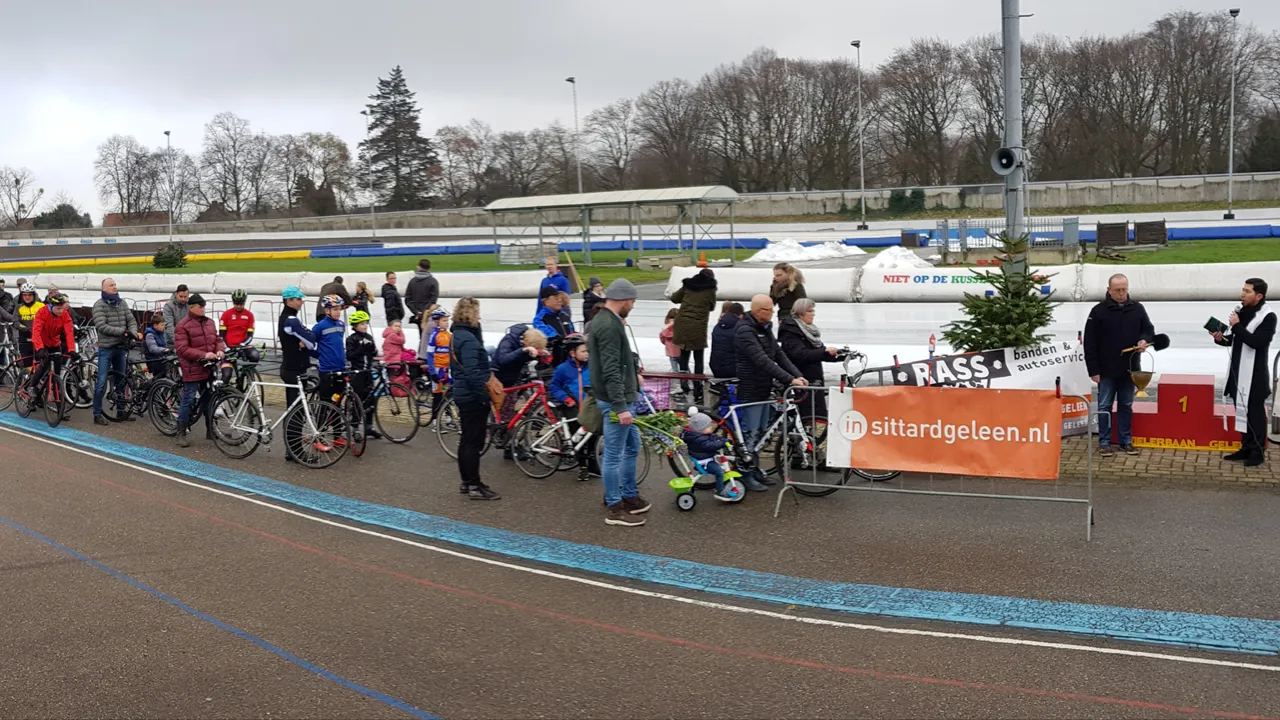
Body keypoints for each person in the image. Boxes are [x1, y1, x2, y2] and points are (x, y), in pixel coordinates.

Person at [587, 278, 650, 527]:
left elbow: (616, 362)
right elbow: (610, 369)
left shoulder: (608, 321)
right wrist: (621, 406)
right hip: (616, 402)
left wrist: (633, 373)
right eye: (632, 302)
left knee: (632, 446)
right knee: (613, 454)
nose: (633, 307)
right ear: (623, 300)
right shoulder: (609, 326)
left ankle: (629, 495)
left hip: (620, 397)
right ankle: (614, 506)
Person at [734, 294, 808, 492]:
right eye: (770, 310)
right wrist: (789, 379)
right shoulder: (744, 331)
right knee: (751, 434)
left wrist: (798, 376)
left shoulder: (764, 328)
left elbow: (779, 354)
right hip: (751, 389)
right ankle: (745, 473)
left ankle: (755, 468)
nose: (773, 313)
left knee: (761, 433)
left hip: (765, 387)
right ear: (759, 311)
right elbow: (762, 360)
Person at [1083, 273, 1155, 458]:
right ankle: (1104, 442)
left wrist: (1144, 340)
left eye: (1124, 289)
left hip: (1130, 369)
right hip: (1106, 370)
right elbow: (1089, 343)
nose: (1122, 293)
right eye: (1117, 290)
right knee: (1105, 405)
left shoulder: (1137, 309)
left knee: (1126, 405)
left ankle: (1126, 441)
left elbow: (1148, 329)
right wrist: (1093, 370)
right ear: (1109, 290)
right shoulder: (1098, 311)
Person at [1212, 278, 1275, 467]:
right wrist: (1220, 338)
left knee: (1254, 414)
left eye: (1247, 291)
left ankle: (1257, 452)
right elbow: (1236, 340)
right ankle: (1245, 447)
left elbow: (1257, 342)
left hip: (1255, 374)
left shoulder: (1268, 316)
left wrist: (1237, 326)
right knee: (1242, 411)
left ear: (1259, 296)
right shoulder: (1243, 312)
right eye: (1243, 290)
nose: (1242, 294)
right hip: (1237, 371)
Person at [449, 296, 501, 500]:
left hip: (462, 392)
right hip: (472, 395)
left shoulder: (458, 335)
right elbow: (473, 372)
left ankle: (467, 481)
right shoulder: (469, 340)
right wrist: (483, 397)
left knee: (466, 440)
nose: (479, 317)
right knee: (474, 442)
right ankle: (473, 484)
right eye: (477, 313)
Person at [173, 294, 224, 448]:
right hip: (192, 368)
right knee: (188, 399)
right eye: (200, 306)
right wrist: (203, 355)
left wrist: (220, 350)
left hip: (208, 367)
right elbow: (182, 349)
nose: (203, 309)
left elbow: (217, 340)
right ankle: (181, 431)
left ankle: (210, 430)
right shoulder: (182, 326)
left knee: (209, 399)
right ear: (192, 307)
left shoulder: (209, 323)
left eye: (204, 306)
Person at [778, 298, 843, 418]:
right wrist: (824, 351)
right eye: (810, 311)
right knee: (809, 415)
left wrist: (839, 355)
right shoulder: (790, 331)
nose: (813, 314)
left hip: (815, 378)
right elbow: (801, 354)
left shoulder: (809, 330)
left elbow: (818, 352)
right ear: (801, 313)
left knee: (818, 414)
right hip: (802, 378)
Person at [91, 278, 140, 425]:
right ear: (104, 289)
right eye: (111, 285)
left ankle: (121, 410)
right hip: (106, 348)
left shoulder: (122, 303)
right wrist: (123, 332)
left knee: (122, 380)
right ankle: (97, 413)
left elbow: (131, 320)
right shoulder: (99, 305)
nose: (114, 287)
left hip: (120, 347)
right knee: (101, 382)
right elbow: (101, 326)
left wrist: (132, 332)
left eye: (115, 285)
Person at [277, 286, 318, 461]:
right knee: (296, 411)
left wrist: (304, 338)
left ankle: (292, 450)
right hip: (293, 369)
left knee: (295, 410)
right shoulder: (292, 320)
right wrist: (304, 339)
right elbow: (311, 342)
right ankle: (294, 451)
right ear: (289, 301)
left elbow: (307, 338)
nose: (302, 301)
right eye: (299, 299)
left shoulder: (288, 318)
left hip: (293, 367)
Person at [548, 333, 596, 480]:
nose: (587, 354)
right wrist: (566, 398)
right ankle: (582, 467)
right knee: (579, 440)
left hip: (589, 408)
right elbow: (554, 386)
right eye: (583, 351)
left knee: (592, 437)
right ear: (572, 353)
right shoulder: (563, 369)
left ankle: (593, 466)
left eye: (588, 350)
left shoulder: (592, 367)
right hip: (572, 408)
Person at [670, 267, 717, 401]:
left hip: (682, 324)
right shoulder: (710, 290)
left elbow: (674, 298)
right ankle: (698, 389)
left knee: (684, 356)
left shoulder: (688, 285)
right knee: (698, 358)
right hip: (698, 326)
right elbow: (712, 306)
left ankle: (684, 386)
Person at [30, 294, 76, 418]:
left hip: (55, 344)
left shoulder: (65, 315)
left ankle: (60, 409)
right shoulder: (42, 312)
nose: (61, 311)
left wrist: (71, 350)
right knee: (44, 365)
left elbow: (69, 333)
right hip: (42, 343)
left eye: (62, 308)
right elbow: (36, 331)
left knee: (56, 376)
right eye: (58, 309)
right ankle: (32, 387)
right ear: (51, 306)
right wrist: (39, 348)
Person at [682, 411, 742, 503]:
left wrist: (724, 440)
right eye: (709, 426)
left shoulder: (702, 435)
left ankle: (720, 486)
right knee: (719, 472)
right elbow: (710, 445)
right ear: (701, 429)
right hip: (704, 462)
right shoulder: (700, 440)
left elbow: (714, 437)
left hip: (706, 458)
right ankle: (720, 491)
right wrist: (721, 443)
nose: (712, 427)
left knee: (720, 468)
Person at [345, 310, 381, 440]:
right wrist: (361, 349)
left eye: (366, 323)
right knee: (357, 401)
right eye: (361, 324)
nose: (365, 326)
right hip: (357, 373)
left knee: (371, 399)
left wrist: (373, 350)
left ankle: (369, 427)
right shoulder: (351, 339)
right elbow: (349, 356)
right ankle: (355, 428)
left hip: (368, 372)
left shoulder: (369, 337)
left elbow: (374, 354)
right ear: (354, 326)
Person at [311, 294, 347, 403]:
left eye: (339, 309)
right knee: (326, 402)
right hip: (327, 370)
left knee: (337, 400)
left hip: (340, 368)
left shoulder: (341, 325)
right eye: (335, 309)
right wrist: (318, 355)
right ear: (327, 310)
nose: (338, 312)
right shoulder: (320, 326)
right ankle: (321, 419)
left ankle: (335, 419)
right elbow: (309, 344)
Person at [218, 289, 262, 378]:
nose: (238, 306)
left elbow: (250, 336)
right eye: (236, 304)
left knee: (255, 355)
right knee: (226, 375)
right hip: (228, 348)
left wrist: (241, 345)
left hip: (242, 347)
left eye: (241, 304)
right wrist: (226, 348)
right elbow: (221, 336)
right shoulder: (226, 315)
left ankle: (245, 373)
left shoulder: (249, 315)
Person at [422, 308, 452, 419]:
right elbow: (429, 354)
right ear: (437, 322)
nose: (447, 323)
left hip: (446, 369)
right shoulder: (434, 335)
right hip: (437, 368)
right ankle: (435, 420)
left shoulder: (449, 335)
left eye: (448, 320)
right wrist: (432, 371)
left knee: (448, 394)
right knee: (438, 396)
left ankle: (449, 418)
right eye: (444, 320)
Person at [533, 286, 573, 362]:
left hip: (571, 358)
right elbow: (550, 336)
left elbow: (572, 332)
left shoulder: (565, 316)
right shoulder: (539, 319)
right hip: (553, 360)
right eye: (555, 298)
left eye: (559, 298)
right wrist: (565, 340)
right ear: (546, 301)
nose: (559, 301)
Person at [710, 301, 745, 379]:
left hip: (715, 367)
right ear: (741, 315)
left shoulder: (717, 326)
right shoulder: (739, 328)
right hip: (733, 369)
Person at [404, 259, 439, 326]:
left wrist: (416, 311)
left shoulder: (412, 281)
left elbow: (407, 299)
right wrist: (424, 311)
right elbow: (433, 299)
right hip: (427, 314)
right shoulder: (433, 281)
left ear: (419, 267)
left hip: (417, 313)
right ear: (429, 268)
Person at [17, 282, 44, 366]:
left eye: (29, 295)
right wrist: (25, 328)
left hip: (39, 341)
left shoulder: (41, 306)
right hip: (25, 341)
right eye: (25, 295)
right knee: (28, 367)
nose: (27, 297)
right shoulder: (19, 307)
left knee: (41, 365)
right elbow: (15, 322)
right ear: (22, 296)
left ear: (34, 295)